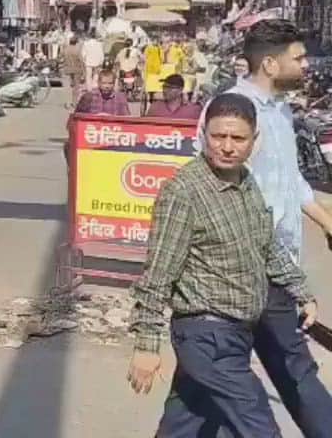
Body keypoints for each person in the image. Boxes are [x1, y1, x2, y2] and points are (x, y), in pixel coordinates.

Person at [129, 94, 318, 437]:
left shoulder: (246, 183)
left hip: (237, 334)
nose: (227, 147)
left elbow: (267, 247)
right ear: (204, 134)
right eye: (219, 137)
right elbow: (157, 275)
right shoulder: (183, 192)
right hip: (206, 336)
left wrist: (301, 290)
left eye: (238, 139)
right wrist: (146, 345)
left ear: (253, 141)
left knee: (185, 424)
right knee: (257, 425)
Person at [214, 20, 332, 435]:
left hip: (277, 263)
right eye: (297, 58)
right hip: (249, 265)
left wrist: (325, 220)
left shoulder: (280, 110)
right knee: (292, 369)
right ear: (269, 63)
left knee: (211, 378)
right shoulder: (231, 113)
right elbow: (217, 189)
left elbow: (291, 181)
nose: (305, 65)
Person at [61, 35, 86, 103]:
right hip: (77, 69)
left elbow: (60, 58)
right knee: (76, 86)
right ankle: (74, 101)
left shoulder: (65, 49)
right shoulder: (77, 50)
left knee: (68, 86)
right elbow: (81, 61)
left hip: (67, 68)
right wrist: (84, 71)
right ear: (76, 42)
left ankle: (68, 102)